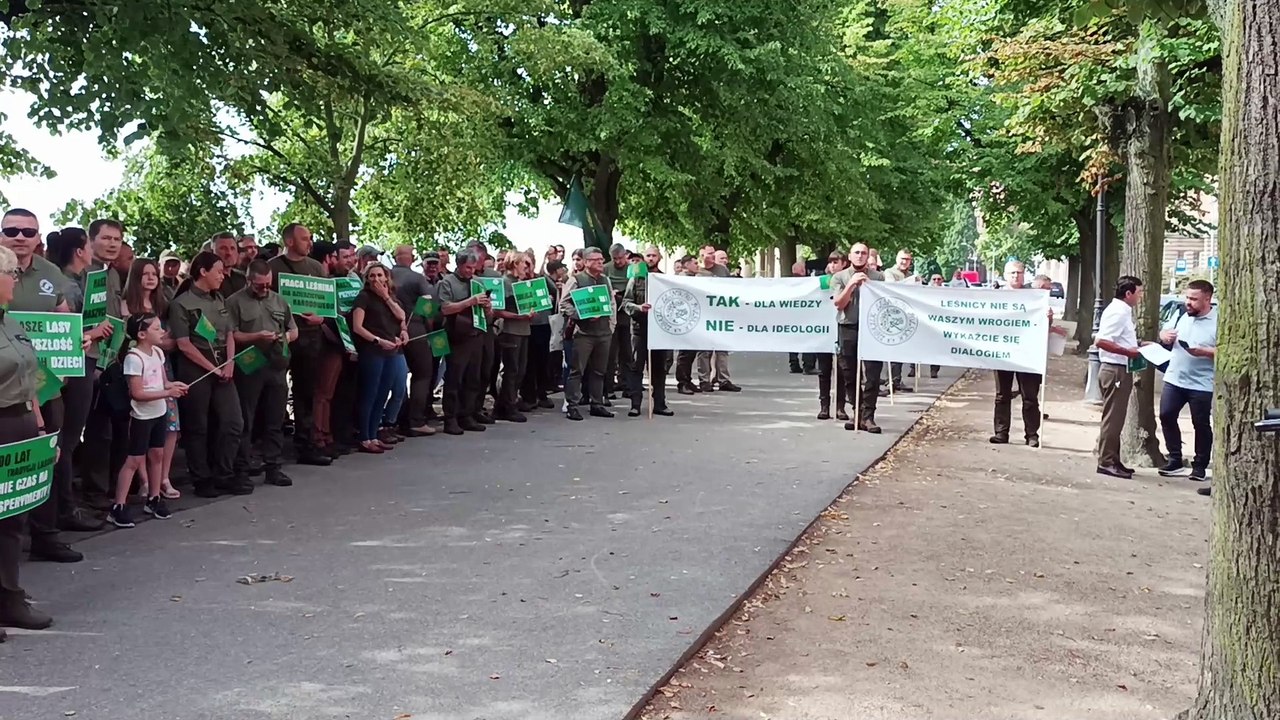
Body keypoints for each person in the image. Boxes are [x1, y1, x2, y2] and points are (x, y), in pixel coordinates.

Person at [0, 243, 55, 636]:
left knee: (13, 517)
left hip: (19, 422)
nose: (17, 280)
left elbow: (30, 381)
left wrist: (38, 427)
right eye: (11, 274)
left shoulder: (10, 321)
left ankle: (9, 597)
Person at [45, 227, 112, 528]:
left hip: (84, 363)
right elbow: (67, 331)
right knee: (67, 441)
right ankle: (64, 511)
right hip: (76, 365)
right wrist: (95, 332)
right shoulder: (67, 286)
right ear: (80, 251)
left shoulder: (79, 280)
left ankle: (61, 508)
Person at [169, 251, 250, 497]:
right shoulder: (181, 303)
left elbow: (229, 334)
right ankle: (201, 478)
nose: (222, 276)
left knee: (233, 422)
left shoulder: (220, 300)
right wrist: (212, 367)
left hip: (223, 364)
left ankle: (223, 473)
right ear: (203, 272)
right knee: (198, 426)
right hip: (196, 368)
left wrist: (230, 363)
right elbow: (183, 343)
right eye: (217, 271)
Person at [107, 314, 188, 527]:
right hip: (142, 415)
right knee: (134, 459)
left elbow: (163, 382)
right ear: (142, 334)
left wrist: (173, 386)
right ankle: (118, 506)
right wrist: (165, 393)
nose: (163, 332)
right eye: (157, 328)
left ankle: (154, 498)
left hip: (159, 413)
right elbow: (137, 393)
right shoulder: (134, 358)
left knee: (157, 454)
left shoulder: (158, 353)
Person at [227, 261, 298, 486]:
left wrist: (284, 338)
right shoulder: (234, 302)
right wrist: (257, 336)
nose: (265, 289)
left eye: (268, 284)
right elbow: (232, 335)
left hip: (276, 363)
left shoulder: (278, 300)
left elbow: (292, 328)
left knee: (275, 418)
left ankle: (273, 466)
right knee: (246, 419)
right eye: (259, 285)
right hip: (249, 364)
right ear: (249, 281)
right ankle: (241, 468)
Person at [267, 224, 332, 467]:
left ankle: (307, 444)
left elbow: (327, 302)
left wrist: (322, 318)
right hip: (281, 338)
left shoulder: (315, 267)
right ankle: (270, 450)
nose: (309, 243)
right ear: (290, 241)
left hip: (311, 337)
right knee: (275, 391)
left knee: (306, 392)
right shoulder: (273, 267)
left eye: (310, 238)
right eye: (305, 238)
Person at [121, 258, 181, 499]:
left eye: (153, 273)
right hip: (138, 368)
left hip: (162, 365)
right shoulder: (126, 304)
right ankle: (145, 481)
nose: (150, 277)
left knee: (170, 424)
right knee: (144, 426)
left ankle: (163, 478)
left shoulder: (162, 303)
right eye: (145, 273)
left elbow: (170, 338)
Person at [1157, 279, 1217, 485]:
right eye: (1187, 297)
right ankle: (1174, 459)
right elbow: (1164, 333)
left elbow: (1226, 351)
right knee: (1166, 415)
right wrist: (1164, 336)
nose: (1188, 302)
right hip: (1175, 377)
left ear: (1207, 299)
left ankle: (1200, 465)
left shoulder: (1218, 321)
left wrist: (1205, 352)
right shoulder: (1181, 314)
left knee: (1200, 423)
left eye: (1194, 299)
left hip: (1202, 383)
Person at [351, 262, 409, 453]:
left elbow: (401, 316)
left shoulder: (390, 299)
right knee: (370, 393)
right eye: (372, 276)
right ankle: (364, 437)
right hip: (372, 350)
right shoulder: (363, 298)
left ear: (386, 278)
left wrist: (385, 297)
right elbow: (358, 327)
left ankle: (374, 434)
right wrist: (377, 341)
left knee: (383, 394)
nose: (376, 279)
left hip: (391, 351)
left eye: (379, 275)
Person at [1093, 275, 1146, 479]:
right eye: (1139, 293)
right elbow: (1102, 340)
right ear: (1128, 293)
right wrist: (1129, 352)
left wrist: (1138, 345)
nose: (1140, 297)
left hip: (1120, 368)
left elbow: (1120, 338)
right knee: (1112, 419)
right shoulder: (1118, 312)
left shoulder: (1123, 311)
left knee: (1118, 418)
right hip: (1115, 369)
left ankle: (1113, 458)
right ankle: (1106, 461)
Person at [830, 243, 885, 433]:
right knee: (849, 374)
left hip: (871, 329)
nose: (860, 256)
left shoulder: (878, 277)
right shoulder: (840, 277)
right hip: (848, 327)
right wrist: (852, 284)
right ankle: (858, 412)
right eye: (857, 253)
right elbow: (839, 303)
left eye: (864, 253)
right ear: (850, 256)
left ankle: (868, 416)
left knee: (872, 373)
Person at [436, 248, 491, 435]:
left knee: (473, 378)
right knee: (454, 379)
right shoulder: (447, 283)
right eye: (467, 267)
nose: (471, 271)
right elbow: (445, 308)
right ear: (459, 265)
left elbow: (487, 313)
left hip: (476, 334)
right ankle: (450, 418)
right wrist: (470, 302)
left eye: (473, 268)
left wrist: (486, 306)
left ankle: (467, 415)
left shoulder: (477, 283)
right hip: (456, 336)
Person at [989, 260, 1043, 447]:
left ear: (1024, 275)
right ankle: (1001, 432)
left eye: (1019, 273)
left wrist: (1048, 318)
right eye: (1012, 273)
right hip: (1003, 353)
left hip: (1027, 353)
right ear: (1005, 275)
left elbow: (1044, 324)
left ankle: (1032, 434)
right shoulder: (996, 297)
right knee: (1002, 395)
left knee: (1030, 396)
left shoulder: (1035, 297)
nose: (1015, 276)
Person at [559, 247, 614, 421]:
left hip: (604, 333)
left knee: (599, 371)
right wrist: (581, 315)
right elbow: (564, 305)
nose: (600, 262)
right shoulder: (576, 280)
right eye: (596, 260)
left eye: (601, 259)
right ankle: (572, 405)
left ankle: (597, 404)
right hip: (583, 333)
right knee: (577, 371)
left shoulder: (605, 280)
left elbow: (611, 304)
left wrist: (611, 326)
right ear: (587, 262)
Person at [390, 245, 437, 437]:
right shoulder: (417, 278)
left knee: (398, 377)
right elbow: (428, 310)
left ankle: (397, 419)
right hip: (415, 329)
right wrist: (430, 329)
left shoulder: (386, 275)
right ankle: (416, 420)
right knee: (423, 373)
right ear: (411, 258)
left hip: (390, 330)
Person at [622, 246, 673, 417]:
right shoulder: (636, 279)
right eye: (648, 255)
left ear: (659, 258)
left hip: (660, 331)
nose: (651, 258)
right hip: (639, 330)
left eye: (654, 255)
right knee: (636, 367)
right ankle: (635, 404)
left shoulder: (665, 279)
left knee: (659, 368)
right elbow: (626, 303)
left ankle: (659, 403)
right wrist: (638, 308)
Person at [494, 252, 536, 422]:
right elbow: (498, 311)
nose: (526, 267)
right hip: (510, 330)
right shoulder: (505, 283)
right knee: (511, 370)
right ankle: (508, 406)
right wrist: (519, 316)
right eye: (523, 263)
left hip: (523, 330)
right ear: (514, 264)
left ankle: (503, 405)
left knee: (520, 370)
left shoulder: (521, 283)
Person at [604, 243, 634, 400]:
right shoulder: (606, 269)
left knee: (627, 354)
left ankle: (627, 385)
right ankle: (608, 388)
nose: (618, 261)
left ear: (625, 256)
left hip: (627, 314)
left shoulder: (632, 269)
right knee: (610, 353)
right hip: (611, 314)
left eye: (620, 258)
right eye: (615, 258)